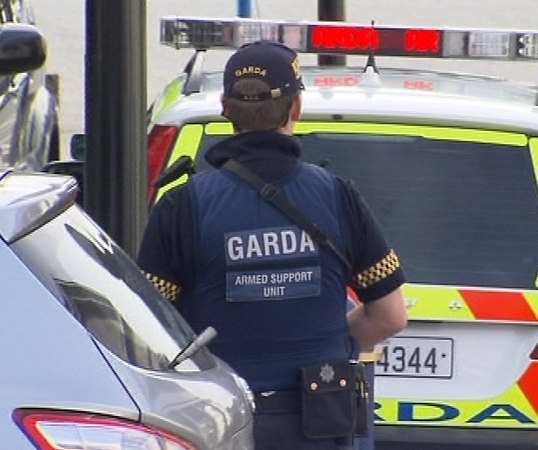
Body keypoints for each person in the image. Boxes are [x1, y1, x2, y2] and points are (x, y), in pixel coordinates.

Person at [136, 40, 408, 450]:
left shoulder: (182, 206)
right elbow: (389, 316)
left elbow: (147, 330)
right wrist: (332, 341)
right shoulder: (338, 195)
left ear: (226, 107)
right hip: (319, 422)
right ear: (295, 108)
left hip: (220, 421)